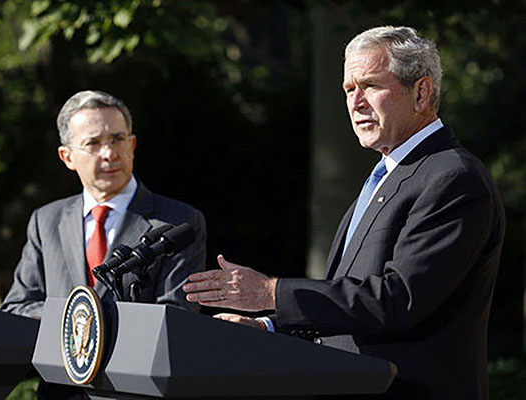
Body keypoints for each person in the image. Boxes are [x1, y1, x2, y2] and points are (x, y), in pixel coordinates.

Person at [183, 26, 505, 399]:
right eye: (349, 90)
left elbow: (397, 300)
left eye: (369, 85)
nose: (356, 102)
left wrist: (272, 293)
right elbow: (350, 307)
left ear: (421, 93)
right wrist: (270, 328)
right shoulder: (386, 178)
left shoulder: (452, 177)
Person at [1, 90, 206, 317]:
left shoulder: (178, 222)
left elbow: (176, 315)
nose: (109, 153)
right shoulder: (46, 221)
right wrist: (78, 322)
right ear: (67, 157)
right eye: (93, 143)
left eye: (117, 139)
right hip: (61, 352)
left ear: (132, 145)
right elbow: (17, 308)